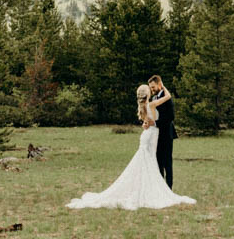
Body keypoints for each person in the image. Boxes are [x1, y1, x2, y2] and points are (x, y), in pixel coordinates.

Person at [66, 85, 195, 210]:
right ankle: (151, 190)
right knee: (149, 161)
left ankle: (148, 188)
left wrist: (147, 124)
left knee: (148, 161)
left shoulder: (144, 106)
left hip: (148, 134)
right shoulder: (152, 105)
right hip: (151, 135)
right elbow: (168, 96)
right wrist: (162, 85)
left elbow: (147, 122)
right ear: (148, 94)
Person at [148, 74, 176, 188]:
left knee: (167, 162)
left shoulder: (167, 97)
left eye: (153, 87)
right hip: (157, 135)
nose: (152, 89)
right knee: (158, 161)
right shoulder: (154, 98)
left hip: (166, 134)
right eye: (150, 87)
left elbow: (170, 117)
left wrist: (155, 123)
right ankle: (161, 188)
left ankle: (169, 188)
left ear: (160, 85)